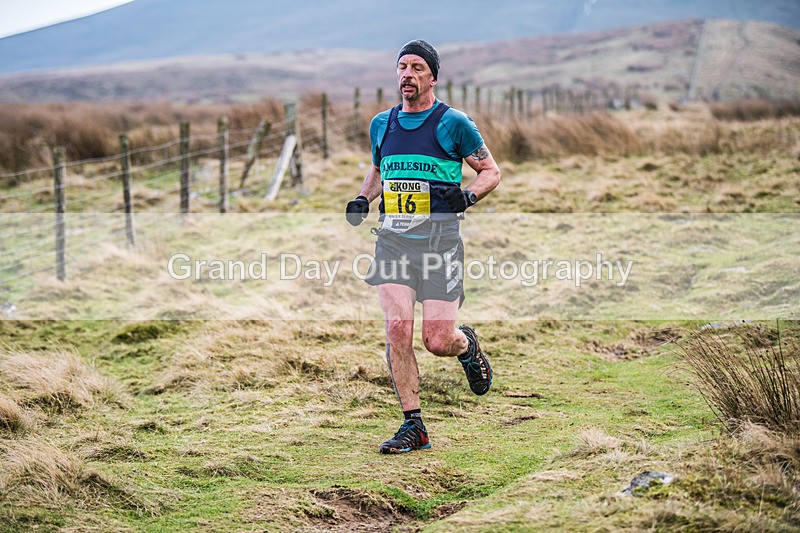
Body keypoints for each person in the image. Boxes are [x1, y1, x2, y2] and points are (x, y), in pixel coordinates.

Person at [345, 39, 501, 454]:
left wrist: (468, 196)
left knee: (436, 340)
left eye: (416, 67)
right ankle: (413, 426)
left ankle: (465, 344)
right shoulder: (383, 123)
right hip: (393, 243)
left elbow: (490, 171)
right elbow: (380, 169)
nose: (407, 75)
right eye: (401, 67)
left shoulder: (454, 123)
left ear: (433, 76)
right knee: (397, 329)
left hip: (440, 244)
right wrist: (364, 199)